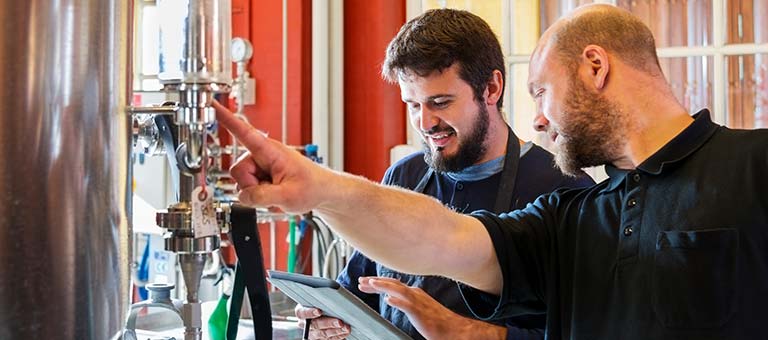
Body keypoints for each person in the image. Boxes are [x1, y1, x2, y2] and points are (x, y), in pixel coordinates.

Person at [216, 4, 768, 339]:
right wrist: (319, 187)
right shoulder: (573, 218)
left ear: (596, 67)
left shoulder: (753, 166)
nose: (541, 118)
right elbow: (445, 237)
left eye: (542, 92)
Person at [291, 9, 594, 340]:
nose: (425, 123)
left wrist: (462, 331)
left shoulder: (565, 190)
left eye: (440, 102)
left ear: (491, 88)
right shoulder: (403, 177)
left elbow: (583, 331)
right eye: (413, 105)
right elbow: (357, 293)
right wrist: (326, 316)